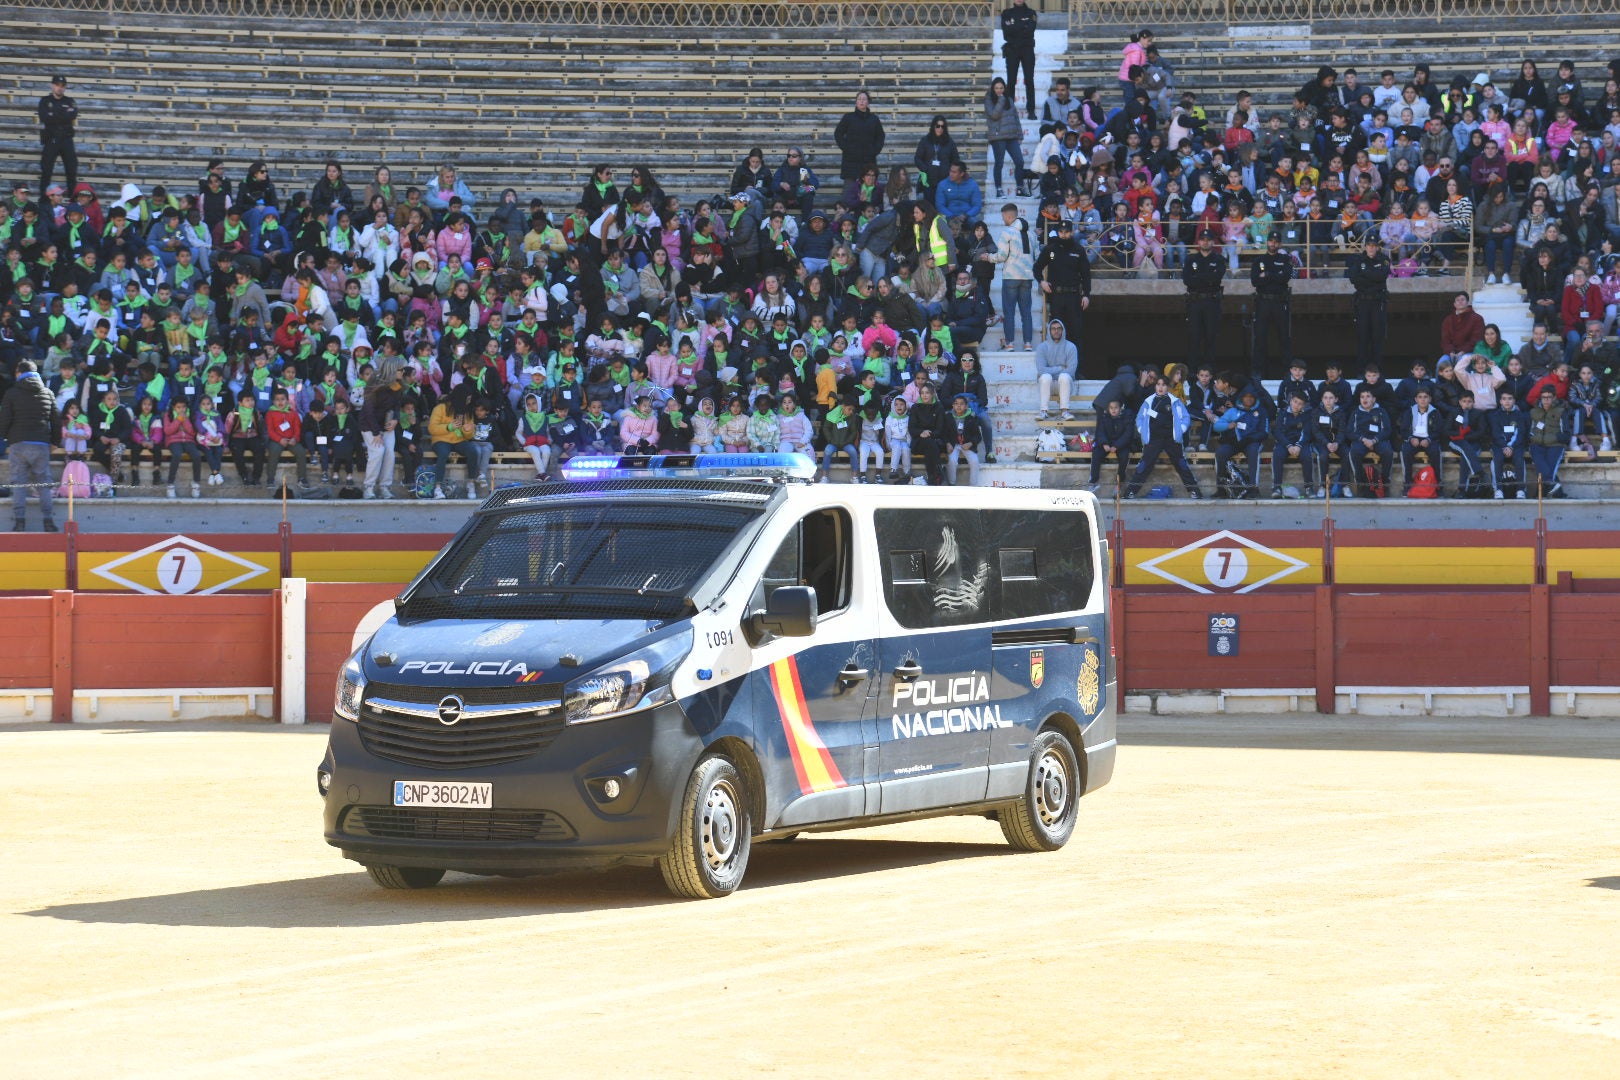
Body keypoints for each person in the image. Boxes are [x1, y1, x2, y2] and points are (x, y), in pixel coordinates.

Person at [0, 359, 59, 531]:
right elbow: (55, 420)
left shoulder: (11, 393)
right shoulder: (48, 393)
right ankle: (48, 521)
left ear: (19, 373)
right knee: (43, 483)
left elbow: (5, 419)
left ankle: (20, 522)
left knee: (18, 483)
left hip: (18, 444)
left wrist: (4, 438)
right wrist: (55, 442)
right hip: (41, 443)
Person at [1125, 375, 1202, 499]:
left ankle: (1194, 491)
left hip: (1171, 439)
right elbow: (1139, 418)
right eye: (1158, 384)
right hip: (1154, 439)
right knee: (1144, 465)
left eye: (1164, 385)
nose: (1161, 387)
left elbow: (1186, 418)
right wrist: (1142, 430)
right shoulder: (1148, 402)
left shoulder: (1175, 401)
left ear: (1168, 387)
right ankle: (1130, 492)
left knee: (1181, 464)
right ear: (1155, 386)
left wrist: (1180, 430)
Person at [1033, 219, 1091, 372]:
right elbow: (1037, 268)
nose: (1064, 235)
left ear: (1071, 232)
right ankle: (1054, 368)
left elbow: (1086, 275)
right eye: (1061, 232)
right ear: (1058, 233)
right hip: (1056, 297)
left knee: (1075, 333)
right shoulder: (1050, 250)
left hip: (1074, 297)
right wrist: (1042, 282)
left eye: (1067, 232)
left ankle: (1076, 371)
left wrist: (1087, 295)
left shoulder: (1078, 250)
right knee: (1056, 334)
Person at [1249, 231, 1293, 378]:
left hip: (1280, 302)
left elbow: (1285, 277)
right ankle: (1258, 370)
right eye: (1271, 241)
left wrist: (1267, 275)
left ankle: (1287, 370)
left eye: (1276, 241)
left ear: (1279, 244)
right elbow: (1255, 281)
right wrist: (1275, 275)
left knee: (1284, 337)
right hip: (1263, 302)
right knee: (1260, 338)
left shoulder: (1285, 259)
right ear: (1267, 242)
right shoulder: (1259, 260)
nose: (1273, 243)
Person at [1346, 233, 1392, 373]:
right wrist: (1373, 279)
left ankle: (1377, 371)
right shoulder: (1358, 260)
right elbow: (1354, 279)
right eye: (1369, 246)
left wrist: (1366, 275)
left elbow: (1381, 276)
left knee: (1377, 337)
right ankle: (1361, 371)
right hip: (1363, 302)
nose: (1371, 248)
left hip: (1378, 302)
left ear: (1377, 247)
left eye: (1374, 246)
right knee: (1362, 337)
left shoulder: (1384, 259)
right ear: (1365, 247)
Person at [1182, 231, 1225, 370]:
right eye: (1203, 239)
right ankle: (1193, 373)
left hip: (1211, 303)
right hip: (1195, 302)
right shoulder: (1190, 259)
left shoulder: (1218, 259)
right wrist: (1207, 277)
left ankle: (1209, 372)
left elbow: (1217, 278)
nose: (1205, 242)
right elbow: (1187, 280)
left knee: (1211, 337)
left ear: (1213, 242)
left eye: (1208, 239)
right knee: (1194, 337)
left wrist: (1198, 277)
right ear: (1198, 242)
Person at [1346, 386, 1394, 498]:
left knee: (1388, 452)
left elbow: (1387, 430)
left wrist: (1374, 440)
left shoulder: (1381, 411)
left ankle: (1385, 483)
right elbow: (1349, 432)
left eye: (1368, 396)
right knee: (1354, 452)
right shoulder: (1356, 413)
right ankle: (1360, 484)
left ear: (1374, 399)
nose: (1365, 399)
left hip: (1378, 439)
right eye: (1362, 397)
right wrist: (1363, 439)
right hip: (1361, 440)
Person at [1398, 387, 1446, 493]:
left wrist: (1429, 439)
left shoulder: (1435, 412)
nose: (1423, 400)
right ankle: (1407, 484)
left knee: (1435, 452)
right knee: (1405, 451)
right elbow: (1403, 429)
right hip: (1413, 438)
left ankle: (1437, 484)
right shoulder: (1409, 411)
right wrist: (1410, 438)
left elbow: (1439, 430)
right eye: (1420, 397)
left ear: (1430, 399)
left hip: (1429, 439)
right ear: (1416, 399)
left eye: (1425, 397)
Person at [833, 91, 885, 184]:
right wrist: (846, 148)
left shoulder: (874, 119)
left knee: (869, 194)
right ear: (856, 102)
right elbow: (838, 133)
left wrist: (874, 151)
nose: (861, 101)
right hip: (850, 161)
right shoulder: (848, 117)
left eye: (864, 99)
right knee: (849, 193)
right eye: (859, 99)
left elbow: (880, 136)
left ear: (868, 102)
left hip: (868, 160)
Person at [38, 75, 78, 195]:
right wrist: (63, 113)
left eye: (62, 86)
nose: (59, 88)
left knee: (71, 171)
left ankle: (73, 202)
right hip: (51, 139)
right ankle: (44, 201)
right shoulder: (45, 101)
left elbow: (72, 115)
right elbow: (44, 117)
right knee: (46, 172)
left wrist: (54, 114)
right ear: (52, 86)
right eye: (57, 85)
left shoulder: (70, 101)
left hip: (66, 139)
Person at [1528, 385, 1570, 498]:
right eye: (1544, 397)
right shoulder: (1533, 412)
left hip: (1555, 445)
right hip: (1537, 444)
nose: (1546, 400)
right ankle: (1555, 488)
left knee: (1549, 469)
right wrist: (1532, 438)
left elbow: (1566, 433)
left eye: (1549, 397)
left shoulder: (1561, 411)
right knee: (1540, 464)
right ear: (1540, 398)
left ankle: (1541, 493)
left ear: (1554, 398)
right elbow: (1529, 429)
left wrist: (1557, 438)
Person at [1271, 392, 1316, 497]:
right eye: (1295, 402)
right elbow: (1278, 432)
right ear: (1291, 401)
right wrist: (1288, 445)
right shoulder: (1282, 413)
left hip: (1301, 443)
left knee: (1307, 456)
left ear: (1304, 406)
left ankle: (1309, 487)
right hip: (1285, 443)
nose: (1297, 405)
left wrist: (1299, 445)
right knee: (1277, 454)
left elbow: (1307, 432)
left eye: (1300, 404)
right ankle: (1277, 487)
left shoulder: (1306, 415)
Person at [1000, 0, 1039, 120]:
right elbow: (1006, 31)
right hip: (1012, 49)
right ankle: (1010, 110)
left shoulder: (1031, 13)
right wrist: (1023, 26)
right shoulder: (1006, 13)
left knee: (1029, 80)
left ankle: (1031, 111)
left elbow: (1030, 30)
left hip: (1027, 49)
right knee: (1011, 80)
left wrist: (1014, 27)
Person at [1488, 388, 1528, 499]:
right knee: (1497, 459)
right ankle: (1498, 489)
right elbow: (1496, 433)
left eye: (1510, 399)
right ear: (1500, 401)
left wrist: (1510, 446)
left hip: (1516, 445)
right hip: (1499, 445)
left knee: (1519, 459)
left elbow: (1520, 433)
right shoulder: (1495, 415)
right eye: (1504, 399)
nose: (1507, 401)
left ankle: (1520, 490)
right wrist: (1504, 446)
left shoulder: (1519, 415)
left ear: (1514, 401)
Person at [1033, 318, 1076, 420]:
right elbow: (1041, 370)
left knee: (1064, 376)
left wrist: (1052, 371)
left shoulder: (1071, 347)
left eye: (1058, 328)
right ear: (1049, 330)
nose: (1056, 331)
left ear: (1063, 330)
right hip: (1048, 385)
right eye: (1053, 329)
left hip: (1066, 385)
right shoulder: (1041, 348)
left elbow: (1071, 371)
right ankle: (1043, 411)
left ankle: (1065, 412)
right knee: (1045, 377)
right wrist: (1061, 368)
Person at [1089, 397, 1135, 492]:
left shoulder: (1126, 417)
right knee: (1096, 453)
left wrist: (1117, 446)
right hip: (1107, 442)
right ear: (1108, 409)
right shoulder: (1104, 417)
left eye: (1116, 407)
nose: (1113, 410)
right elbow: (1100, 432)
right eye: (1111, 408)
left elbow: (1128, 434)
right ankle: (1093, 481)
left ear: (1120, 408)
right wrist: (1104, 443)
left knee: (1124, 456)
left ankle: (1119, 483)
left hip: (1121, 444)